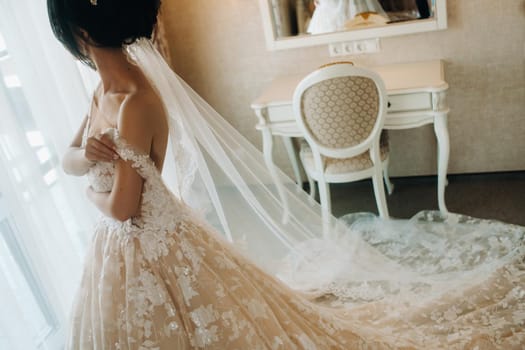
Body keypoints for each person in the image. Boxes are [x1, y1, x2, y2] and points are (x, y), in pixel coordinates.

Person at [48, 0, 525, 349]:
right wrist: (86, 158)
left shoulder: (135, 102)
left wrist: (91, 187)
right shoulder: (100, 94)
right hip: (131, 242)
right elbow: (71, 155)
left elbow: (124, 207)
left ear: (78, 32)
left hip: (140, 233)